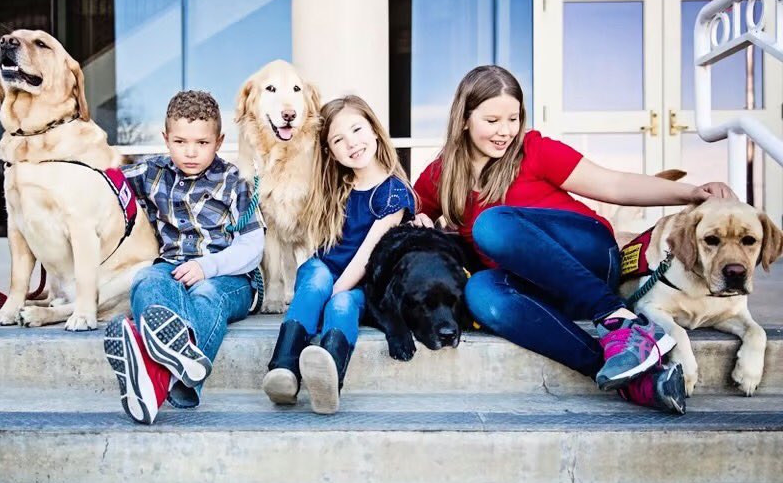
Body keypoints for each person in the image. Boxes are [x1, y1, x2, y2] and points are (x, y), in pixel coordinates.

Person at [412, 65, 735, 415]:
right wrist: (418, 222)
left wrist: (690, 193)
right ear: (464, 119)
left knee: (491, 226)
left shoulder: (533, 150)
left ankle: (621, 321)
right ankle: (636, 381)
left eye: (513, 118)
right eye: (492, 121)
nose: (505, 132)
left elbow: (614, 185)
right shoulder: (440, 176)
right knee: (480, 293)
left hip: (589, 257)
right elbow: (401, 213)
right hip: (545, 290)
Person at [103, 90, 264, 425]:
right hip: (172, 269)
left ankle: (157, 376)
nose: (190, 152)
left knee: (206, 295)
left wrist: (208, 267)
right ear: (165, 139)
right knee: (147, 278)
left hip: (229, 278)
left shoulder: (235, 182)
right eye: (180, 141)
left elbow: (252, 249)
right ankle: (178, 366)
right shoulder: (150, 173)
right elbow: (105, 182)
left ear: (219, 142)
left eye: (202, 143)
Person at [263, 95, 415, 414]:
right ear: (330, 151)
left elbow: (366, 255)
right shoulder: (335, 185)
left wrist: (335, 293)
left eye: (358, 130)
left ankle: (328, 378)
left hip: (364, 285)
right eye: (338, 140)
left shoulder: (393, 194)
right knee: (316, 276)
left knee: (342, 302)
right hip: (324, 273)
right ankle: (284, 370)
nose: (352, 143)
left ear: (375, 130)